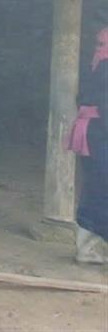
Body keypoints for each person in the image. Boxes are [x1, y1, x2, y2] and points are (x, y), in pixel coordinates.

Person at [68, 20, 108, 264]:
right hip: (100, 132)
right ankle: (88, 248)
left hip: (91, 130)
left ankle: (88, 246)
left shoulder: (95, 66)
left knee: (96, 186)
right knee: (100, 187)